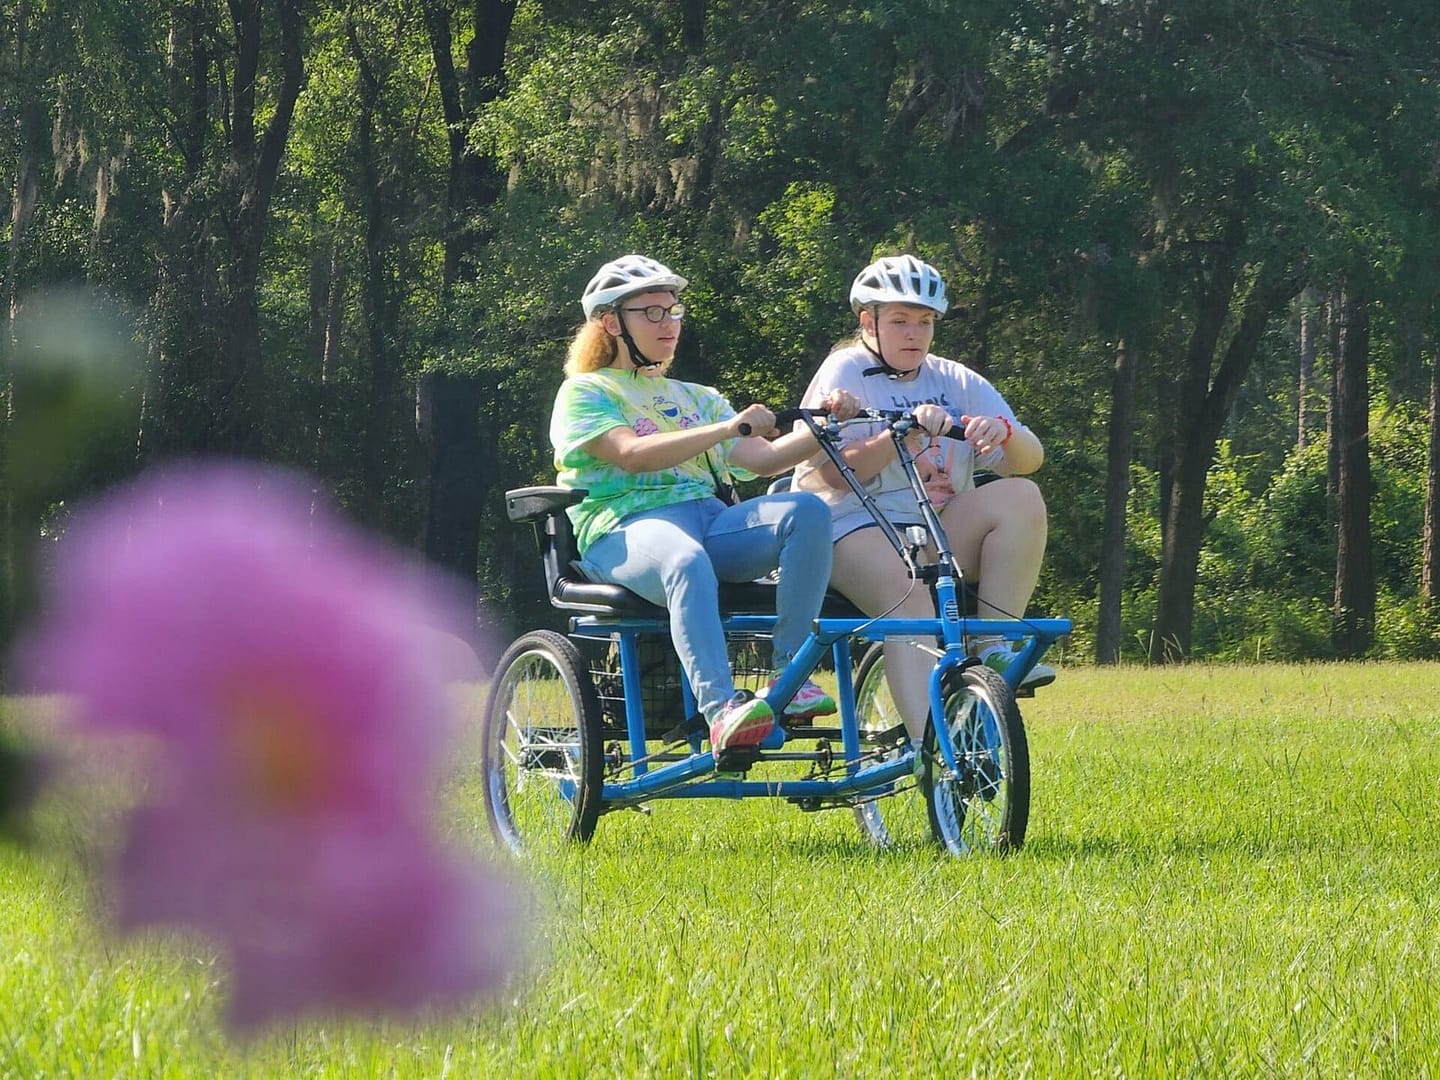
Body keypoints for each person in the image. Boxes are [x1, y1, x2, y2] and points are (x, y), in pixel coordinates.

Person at [550, 254, 859, 756]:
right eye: (652, 312)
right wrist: (725, 427)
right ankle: (722, 713)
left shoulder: (697, 396)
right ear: (611, 322)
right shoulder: (584, 392)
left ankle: (790, 675)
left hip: (710, 522)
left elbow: (762, 460)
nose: (669, 323)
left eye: (673, 311)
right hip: (624, 529)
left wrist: (825, 428)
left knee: (806, 511)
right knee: (684, 560)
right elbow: (630, 455)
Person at [794, 254, 1052, 745]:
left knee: (1022, 497)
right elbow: (834, 473)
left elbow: (1029, 458)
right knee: (909, 599)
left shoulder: (955, 379)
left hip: (931, 526)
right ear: (867, 322)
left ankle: (992, 641)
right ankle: (930, 750)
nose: (914, 333)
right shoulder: (845, 369)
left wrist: (1000, 432)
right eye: (899, 321)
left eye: (925, 322)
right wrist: (903, 437)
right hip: (849, 523)